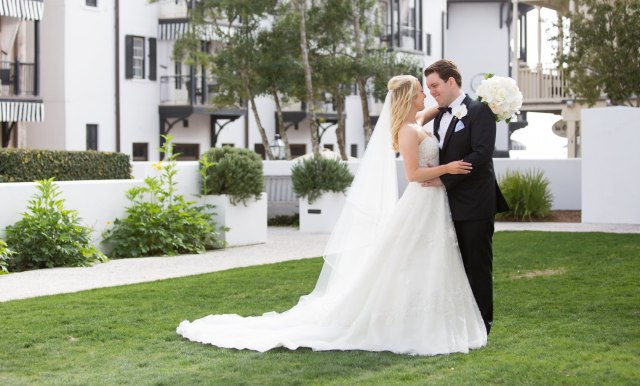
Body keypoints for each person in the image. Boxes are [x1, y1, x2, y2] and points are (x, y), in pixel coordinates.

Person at [176, 75, 487, 356]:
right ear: (409, 97)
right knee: (409, 261)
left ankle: (430, 319)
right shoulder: (408, 131)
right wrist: (447, 168)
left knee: (427, 261)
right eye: (421, 91)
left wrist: (460, 107)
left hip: (433, 204)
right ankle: (404, 321)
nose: (426, 95)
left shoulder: (416, 121)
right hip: (421, 201)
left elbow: (431, 112)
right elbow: (412, 172)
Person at [423, 60, 509, 335]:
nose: (432, 92)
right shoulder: (438, 115)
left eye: (435, 85)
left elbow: (481, 155)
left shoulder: (479, 111)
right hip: (447, 205)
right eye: (428, 88)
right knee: (454, 267)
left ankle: (483, 324)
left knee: (477, 266)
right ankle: (461, 321)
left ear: (451, 81)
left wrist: (443, 178)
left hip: (475, 205)